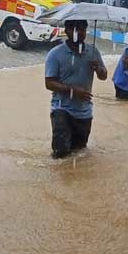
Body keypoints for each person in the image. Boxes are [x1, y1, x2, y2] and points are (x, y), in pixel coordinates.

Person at [44, 20, 108, 158]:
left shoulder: (93, 52)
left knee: (79, 154)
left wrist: (98, 68)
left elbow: (103, 76)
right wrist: (72, 91)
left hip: (84, 111)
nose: (78, 33)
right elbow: (49, 83)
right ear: (66, 30)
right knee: (60, 155)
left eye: (82, 29)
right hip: (61, 110)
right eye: (74, 29)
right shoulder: (55, 54)